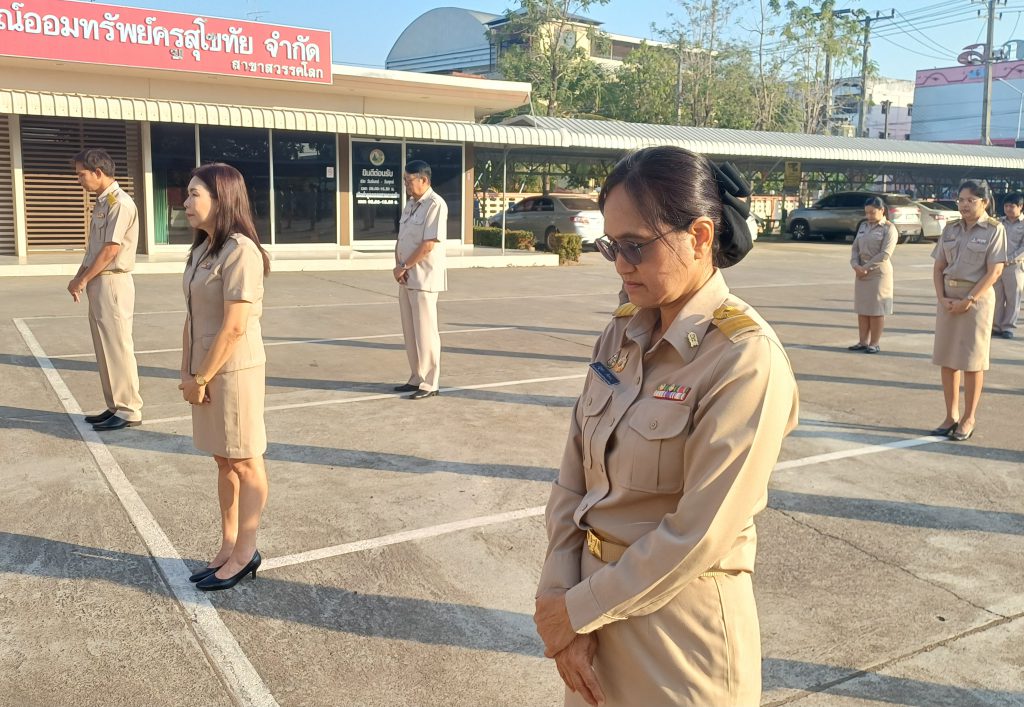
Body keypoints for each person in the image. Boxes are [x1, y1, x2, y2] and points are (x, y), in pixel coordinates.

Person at [533, 146, 799, 707]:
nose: (621, 265)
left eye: (636, 246)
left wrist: (574, 612)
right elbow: (573, 478)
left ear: (700, 237)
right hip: (590, 623)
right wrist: (557, 596)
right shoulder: (622, 333)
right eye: (611, 246)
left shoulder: (744, 358)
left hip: (677, 642)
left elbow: (699, 534)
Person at [179, 163, 271, 591]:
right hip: (205, 369)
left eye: (194, 194)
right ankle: (228, 546)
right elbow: (192, 317)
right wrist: (188, 372)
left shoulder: (240, 251)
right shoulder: (203, 249)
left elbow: (234, 326)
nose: (185, 201)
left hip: (233, 372)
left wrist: (201, 377)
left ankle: (246, 552)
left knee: (245, 460)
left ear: (222, 200)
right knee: (222, 459)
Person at [67, 149, 144, 431]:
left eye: (81, 175)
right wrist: (79, 277)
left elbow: (111, 249)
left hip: (113, 281)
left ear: (98, 172)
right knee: (104, 346)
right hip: (100, 280)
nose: (79, 180)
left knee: (117, 346)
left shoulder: (120, 203)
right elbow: (94, 249)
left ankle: (129, 409)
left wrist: (83, 280)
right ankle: (115, 405)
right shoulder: (104, 202)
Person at [930, 180, 1007, 442]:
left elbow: (995, 271)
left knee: (973, 362)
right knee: (947, 359)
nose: (964, 205)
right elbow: (938, 267)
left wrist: (970, 299)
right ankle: (950, 415)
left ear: (984, 202)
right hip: (948, 300)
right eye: (961, 200)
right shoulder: (951, 228)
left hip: (976, 301)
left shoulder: (994, 230)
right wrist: (941, 298)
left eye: (970, 200)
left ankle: (968, 418)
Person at [393, 160, 448, 400]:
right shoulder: (411, 204)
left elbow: (428, 244)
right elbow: (402, 238)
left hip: (424, 278)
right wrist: (399, 266)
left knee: (426, 332)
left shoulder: (435, 204)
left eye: (409, 180)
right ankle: (416, 376)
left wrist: (404, 266)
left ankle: (430, 383)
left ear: (424, 180)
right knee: (410, 331)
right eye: (405, 181)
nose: (406, 185)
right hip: (406, 277)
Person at [848, 196, 898, 354]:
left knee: (876, 310)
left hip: (878, 274)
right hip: (861, 272)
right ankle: (863, 341)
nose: (869, 216)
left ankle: (874, 343)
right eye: (867, 213)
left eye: (872, 212)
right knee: (863, 309)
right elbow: (855, 247)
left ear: (882, 210)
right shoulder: (863, 226)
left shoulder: (889, 228)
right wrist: (855, 265)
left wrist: (866, 268)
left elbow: (885, 253)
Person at [994, 192, 1024, 339]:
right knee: (997, 297)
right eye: (1006, 206)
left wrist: (1009, 259)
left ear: (1021, 207)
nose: (1008, 209)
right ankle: (996, 326)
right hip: (996, 265)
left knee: (1013, 298)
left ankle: (1008, 327)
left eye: (1012, 206)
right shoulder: (999, 223)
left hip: (1015, 266)